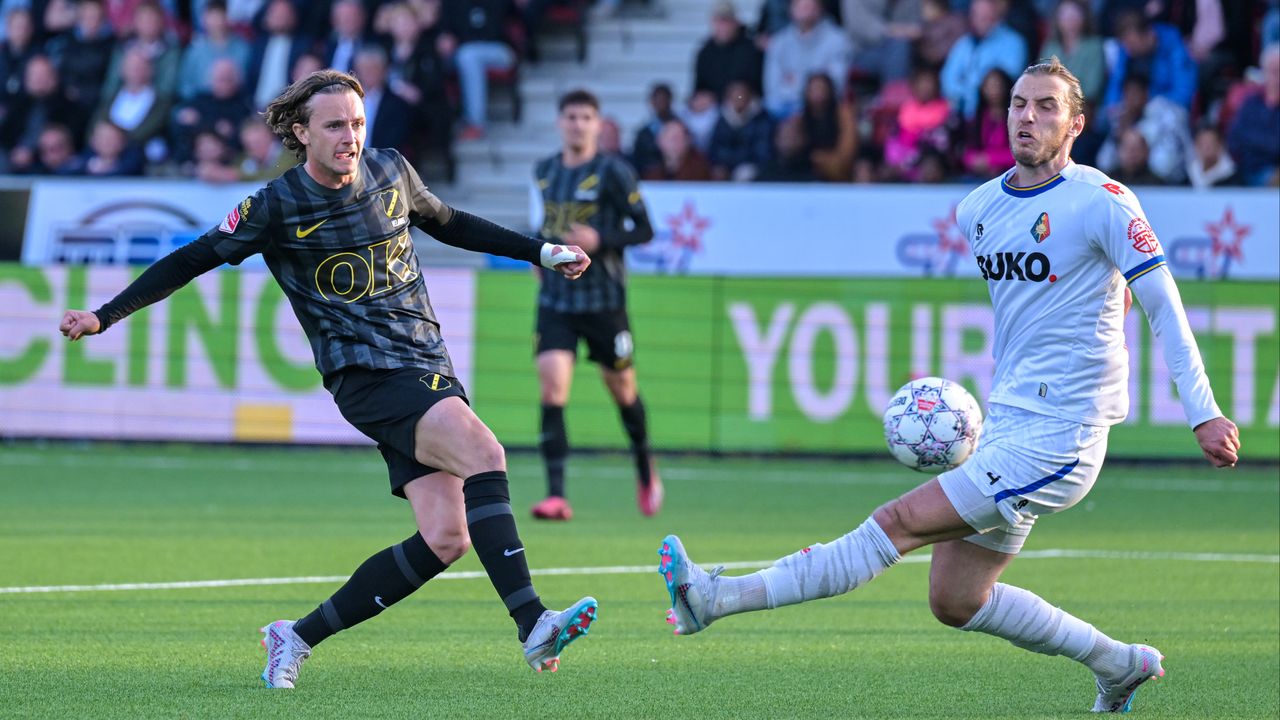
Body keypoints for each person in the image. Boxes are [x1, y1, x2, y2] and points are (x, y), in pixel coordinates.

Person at [658, 57, 1240, 715]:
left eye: (1046, 106)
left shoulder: (1103, 201)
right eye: (1018, 103)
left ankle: (716, 598)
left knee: (896, 522)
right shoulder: (979, 209)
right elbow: (1064, 295)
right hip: (1006, 423)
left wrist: (1203, 411)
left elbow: (1161, 304)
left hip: (1063, 436)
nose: (1027, 116)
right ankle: (1117, 663)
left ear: (1076, 125)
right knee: (956, 599)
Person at [58, 69, 599, 688]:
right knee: (485, 453)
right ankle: (532, 623)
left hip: (427, 362)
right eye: (336, 125)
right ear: (302, 133)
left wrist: (540, 251)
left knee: (446, 537)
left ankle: (294, 637)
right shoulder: (275, 205)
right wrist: (105, 315)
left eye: (358, 123)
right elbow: (192, 258)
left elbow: (449, 221)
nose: (350, 137)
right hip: (366, 373)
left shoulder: (391, 170)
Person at [529, 89, 661, 522]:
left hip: (604, 301)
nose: (578, 124)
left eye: (586, 117)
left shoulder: (613, 172)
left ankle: (645, 466)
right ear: (559, 122)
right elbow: (546, 225)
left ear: (598, 124)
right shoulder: (545, 171)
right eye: (571, 116)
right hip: (557, 300)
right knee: (552, 387)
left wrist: (601, 239)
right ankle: (556, 496)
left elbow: (645, 230)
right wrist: (537, 254)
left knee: (622, 389)